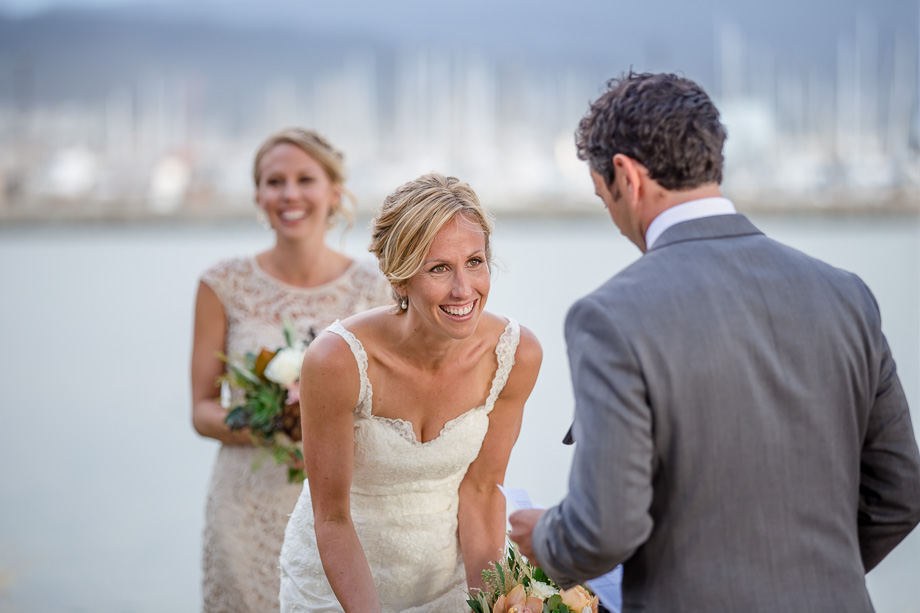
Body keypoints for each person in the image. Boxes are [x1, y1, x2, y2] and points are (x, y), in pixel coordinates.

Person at [509, 72, 920, 612]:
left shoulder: (610, 316)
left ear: (626, 176)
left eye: (601, 195)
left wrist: (541, 538)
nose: (610, 214)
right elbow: (900, 492)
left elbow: (603, 528)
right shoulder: (846, 294)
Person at [279, 172, 543, 612]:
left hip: (447, 585)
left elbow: (480, 494)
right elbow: (332, 517)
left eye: (474, 262)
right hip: (336, 588)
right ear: (399, 279)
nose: (464, 290)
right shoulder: (336, 360)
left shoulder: (516, 355)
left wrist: (493, 604)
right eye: (439, 268)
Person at [190, 128, 391, 613]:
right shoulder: (222, 285)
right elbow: (201, 411)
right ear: (259, 196)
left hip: (345, 511)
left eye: (305, 179)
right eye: (274, 181)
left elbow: (391, 406)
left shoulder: (374, 289)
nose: (290, 194)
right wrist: (272, 422)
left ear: (334, 192)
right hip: (246, 509)